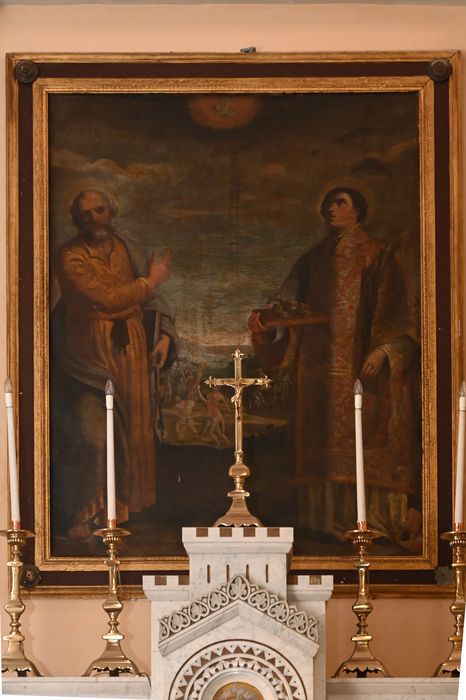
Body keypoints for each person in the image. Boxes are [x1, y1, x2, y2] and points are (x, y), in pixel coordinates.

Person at [248, 187, 420, 546]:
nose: (331, 208)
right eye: (329, 203)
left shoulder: (379, 255)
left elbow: (403, 316)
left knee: (367, 436)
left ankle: (374, 521)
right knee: (322, 443)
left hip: (364, 371)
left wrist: (384, 351)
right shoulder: (312, 261)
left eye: (340, 202)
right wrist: (266, 321)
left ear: (358, 211)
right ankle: (326, 521)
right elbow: (284, 304)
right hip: (317, 374)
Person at [52, 189, 178, 539]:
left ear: (111, 212)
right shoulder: (71, 255)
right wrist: (148, 281)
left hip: (131, 351)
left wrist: (164, 336)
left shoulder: (127, 245)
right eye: (86, 214)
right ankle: (86, 511)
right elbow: (106, 299)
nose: (94, 218)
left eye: (99, 210)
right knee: (93, 434)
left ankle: (116, 514)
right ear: (77, 220)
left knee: (131, 430)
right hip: (89, 355)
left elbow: (156, 297)